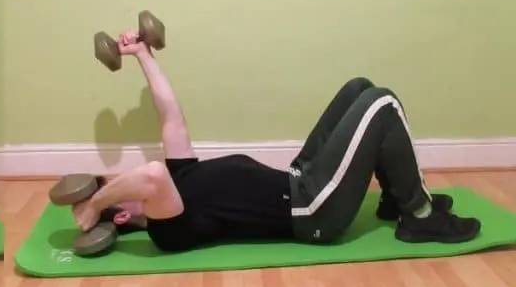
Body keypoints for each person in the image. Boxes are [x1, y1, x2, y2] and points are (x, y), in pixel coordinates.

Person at [71, 29, 481, 252]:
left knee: (360, 88)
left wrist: (143, 55)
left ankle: (396, 199)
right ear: (123, 215)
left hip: (298, 178)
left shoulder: (179, 180)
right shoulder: (168, 227)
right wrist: (94, 205)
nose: (118, 177)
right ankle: (421, 217)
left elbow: (171, 118)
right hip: (313, 210)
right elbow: (149, 175)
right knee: (382, 104)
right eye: (114, 187)